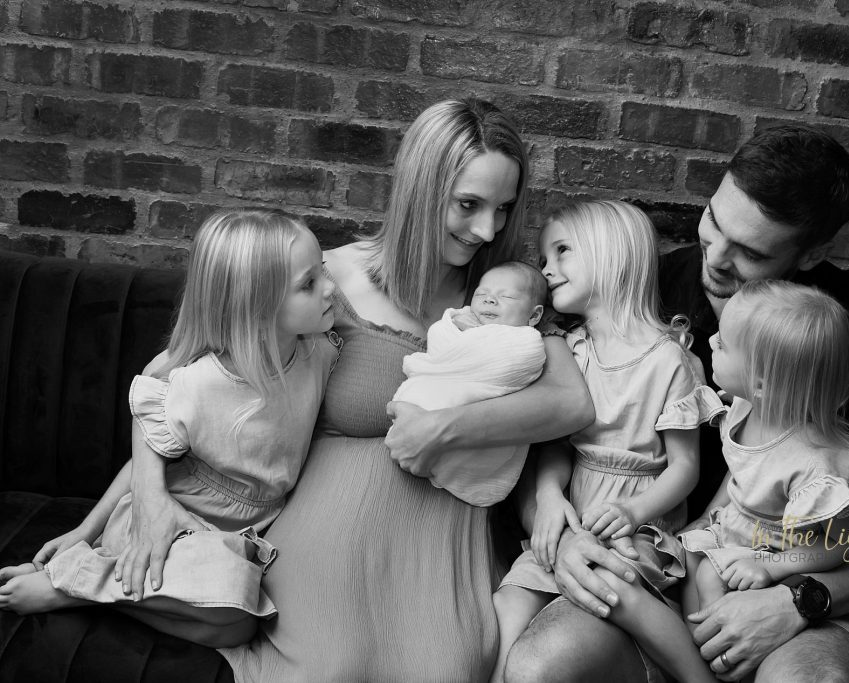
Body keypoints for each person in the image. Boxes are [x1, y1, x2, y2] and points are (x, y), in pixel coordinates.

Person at [118, 99, 594, 681]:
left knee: (447, 669)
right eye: (468, 205)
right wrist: (147, 498)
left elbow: (571, 404)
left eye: (503, 208)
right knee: (326, 666)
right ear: (420, 189)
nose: (487, 229)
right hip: (324, 544)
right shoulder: (326, 281)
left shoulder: (504, 298)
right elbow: (174, 380)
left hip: (442, 553)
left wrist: (449, 428)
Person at [505, 124, 849, 683]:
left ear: (812, 254)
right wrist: (556, 531)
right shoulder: (644, 291)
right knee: (541, 667)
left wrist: (800, 600)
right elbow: (555, 424)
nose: (716, 259)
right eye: (714, 222)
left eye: (752, 252)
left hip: (797, 589)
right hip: (665, 564)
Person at [0, 209, 340, 648]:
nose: (331, 288)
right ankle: (72, 580)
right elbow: (144, 467)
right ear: (256, 308)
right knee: (231, 602)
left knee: (238, 624)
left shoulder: (320, 352)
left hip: (249, 525)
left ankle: (87, 594)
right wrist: (85, 530)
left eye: (324, 272)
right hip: (177, 517)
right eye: (309, 284)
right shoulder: (202, 384)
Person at [492, 201, 723, 683]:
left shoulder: (667, 360)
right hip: (571, 523)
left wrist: (633, 513)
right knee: (504, 607)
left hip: (633, 530)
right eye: (542, 258)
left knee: (609, 586)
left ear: (610, 256)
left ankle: (692, 673)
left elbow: (684, 467)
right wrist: (550, 494)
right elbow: (559, 446)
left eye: (561, 251)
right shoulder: (571, 352)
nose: (546, 268)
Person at [675, 280, 849, 670]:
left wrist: (772, 566)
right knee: (691, 555)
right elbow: (744, 474)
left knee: (710, 579)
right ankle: (701, 652)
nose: (711, 340)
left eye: (724, 343)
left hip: (790, 552)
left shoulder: (814, 465)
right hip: (741, 529)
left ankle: (725, 658)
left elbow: (847, 545)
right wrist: (710, 516)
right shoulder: (743, 407)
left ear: (763, 382)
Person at [392, 261, 548, 506]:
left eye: (505, 296)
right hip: (433, 401)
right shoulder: (459, 323)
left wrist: (473, 339)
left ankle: (442, 456)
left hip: (476, 425)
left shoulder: (526, 341)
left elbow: (512, 365)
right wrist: (456, 328)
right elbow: (439, 342)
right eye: (481, 294)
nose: (489, 300)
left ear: (534, 315)